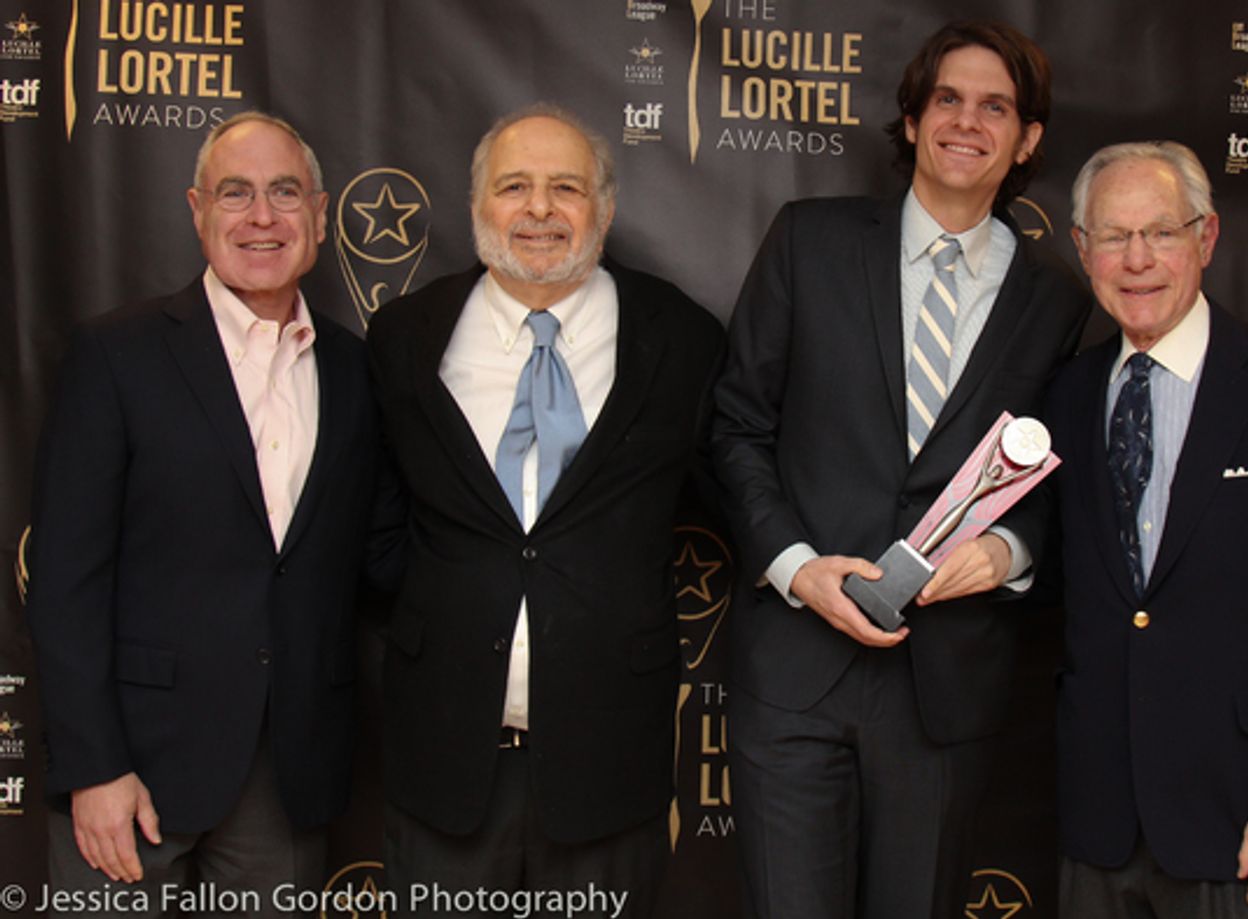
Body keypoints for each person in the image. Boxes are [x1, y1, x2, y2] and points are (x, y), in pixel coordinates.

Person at [710, 20, 1092, 919]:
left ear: (1027, 138)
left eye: (995, 106)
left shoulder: (1057, 303)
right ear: (913, 120)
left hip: (945, 691)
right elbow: (731, 427)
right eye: (948, 99)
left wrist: (1007, 551)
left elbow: (1051, 477)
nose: (968, 121)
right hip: (796, 669)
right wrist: (797, 568)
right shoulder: (810, 240)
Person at [367, 103, 725, 917]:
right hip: (445, 757)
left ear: (604, 208)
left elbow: (737, 485)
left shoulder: (681, 336)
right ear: (476, 207)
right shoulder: (406, 336)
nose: (538, 210)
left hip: (609, 759)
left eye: (566, 187)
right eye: (514, 186)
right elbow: (376, 520)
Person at [26, 111, 387, 914]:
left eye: (284, 193)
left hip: (286, 775)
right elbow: (63, 579)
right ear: (197, 211)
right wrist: (93, 765)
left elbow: (368, 555)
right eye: (236, 194)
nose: (262, 216)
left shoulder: (356, 368)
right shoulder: (116, 355)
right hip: (132, 768)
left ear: (321, 216)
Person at [1047, 140, 1248, 919]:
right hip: (1099, 826)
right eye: (1114, 237)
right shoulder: (1063, 395)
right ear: (1082, 250)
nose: (1138, 260)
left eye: (1161, 232)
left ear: (1206, 238)